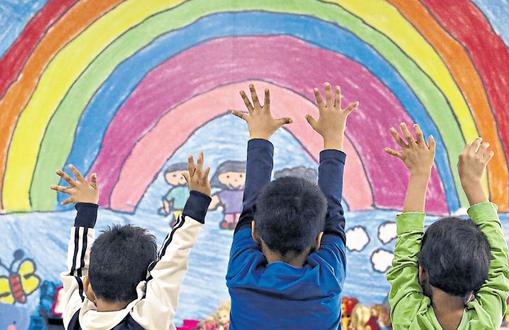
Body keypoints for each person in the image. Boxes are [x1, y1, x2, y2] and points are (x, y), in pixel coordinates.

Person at [227, 83, 358, 328]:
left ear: (255, 233)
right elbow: (250, 211)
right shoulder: (327, 280)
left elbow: (333, 217)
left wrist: (260, 137)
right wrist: (332, 137)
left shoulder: (241, 275)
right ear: (318, 241)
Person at [50, 153, 212, 329]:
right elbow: (171, 260)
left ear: (89, 287)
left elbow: (77, 271)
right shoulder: (147, 321)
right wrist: (199, 200)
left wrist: (86, 209)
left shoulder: (76, 319)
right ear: (145, 288)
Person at [384, 124, 509, 329]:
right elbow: (498, 262)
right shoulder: (486, 319)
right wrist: (472, 182)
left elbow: (498, 262)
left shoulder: (408, 319)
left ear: (422, 272)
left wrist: (419, 173)